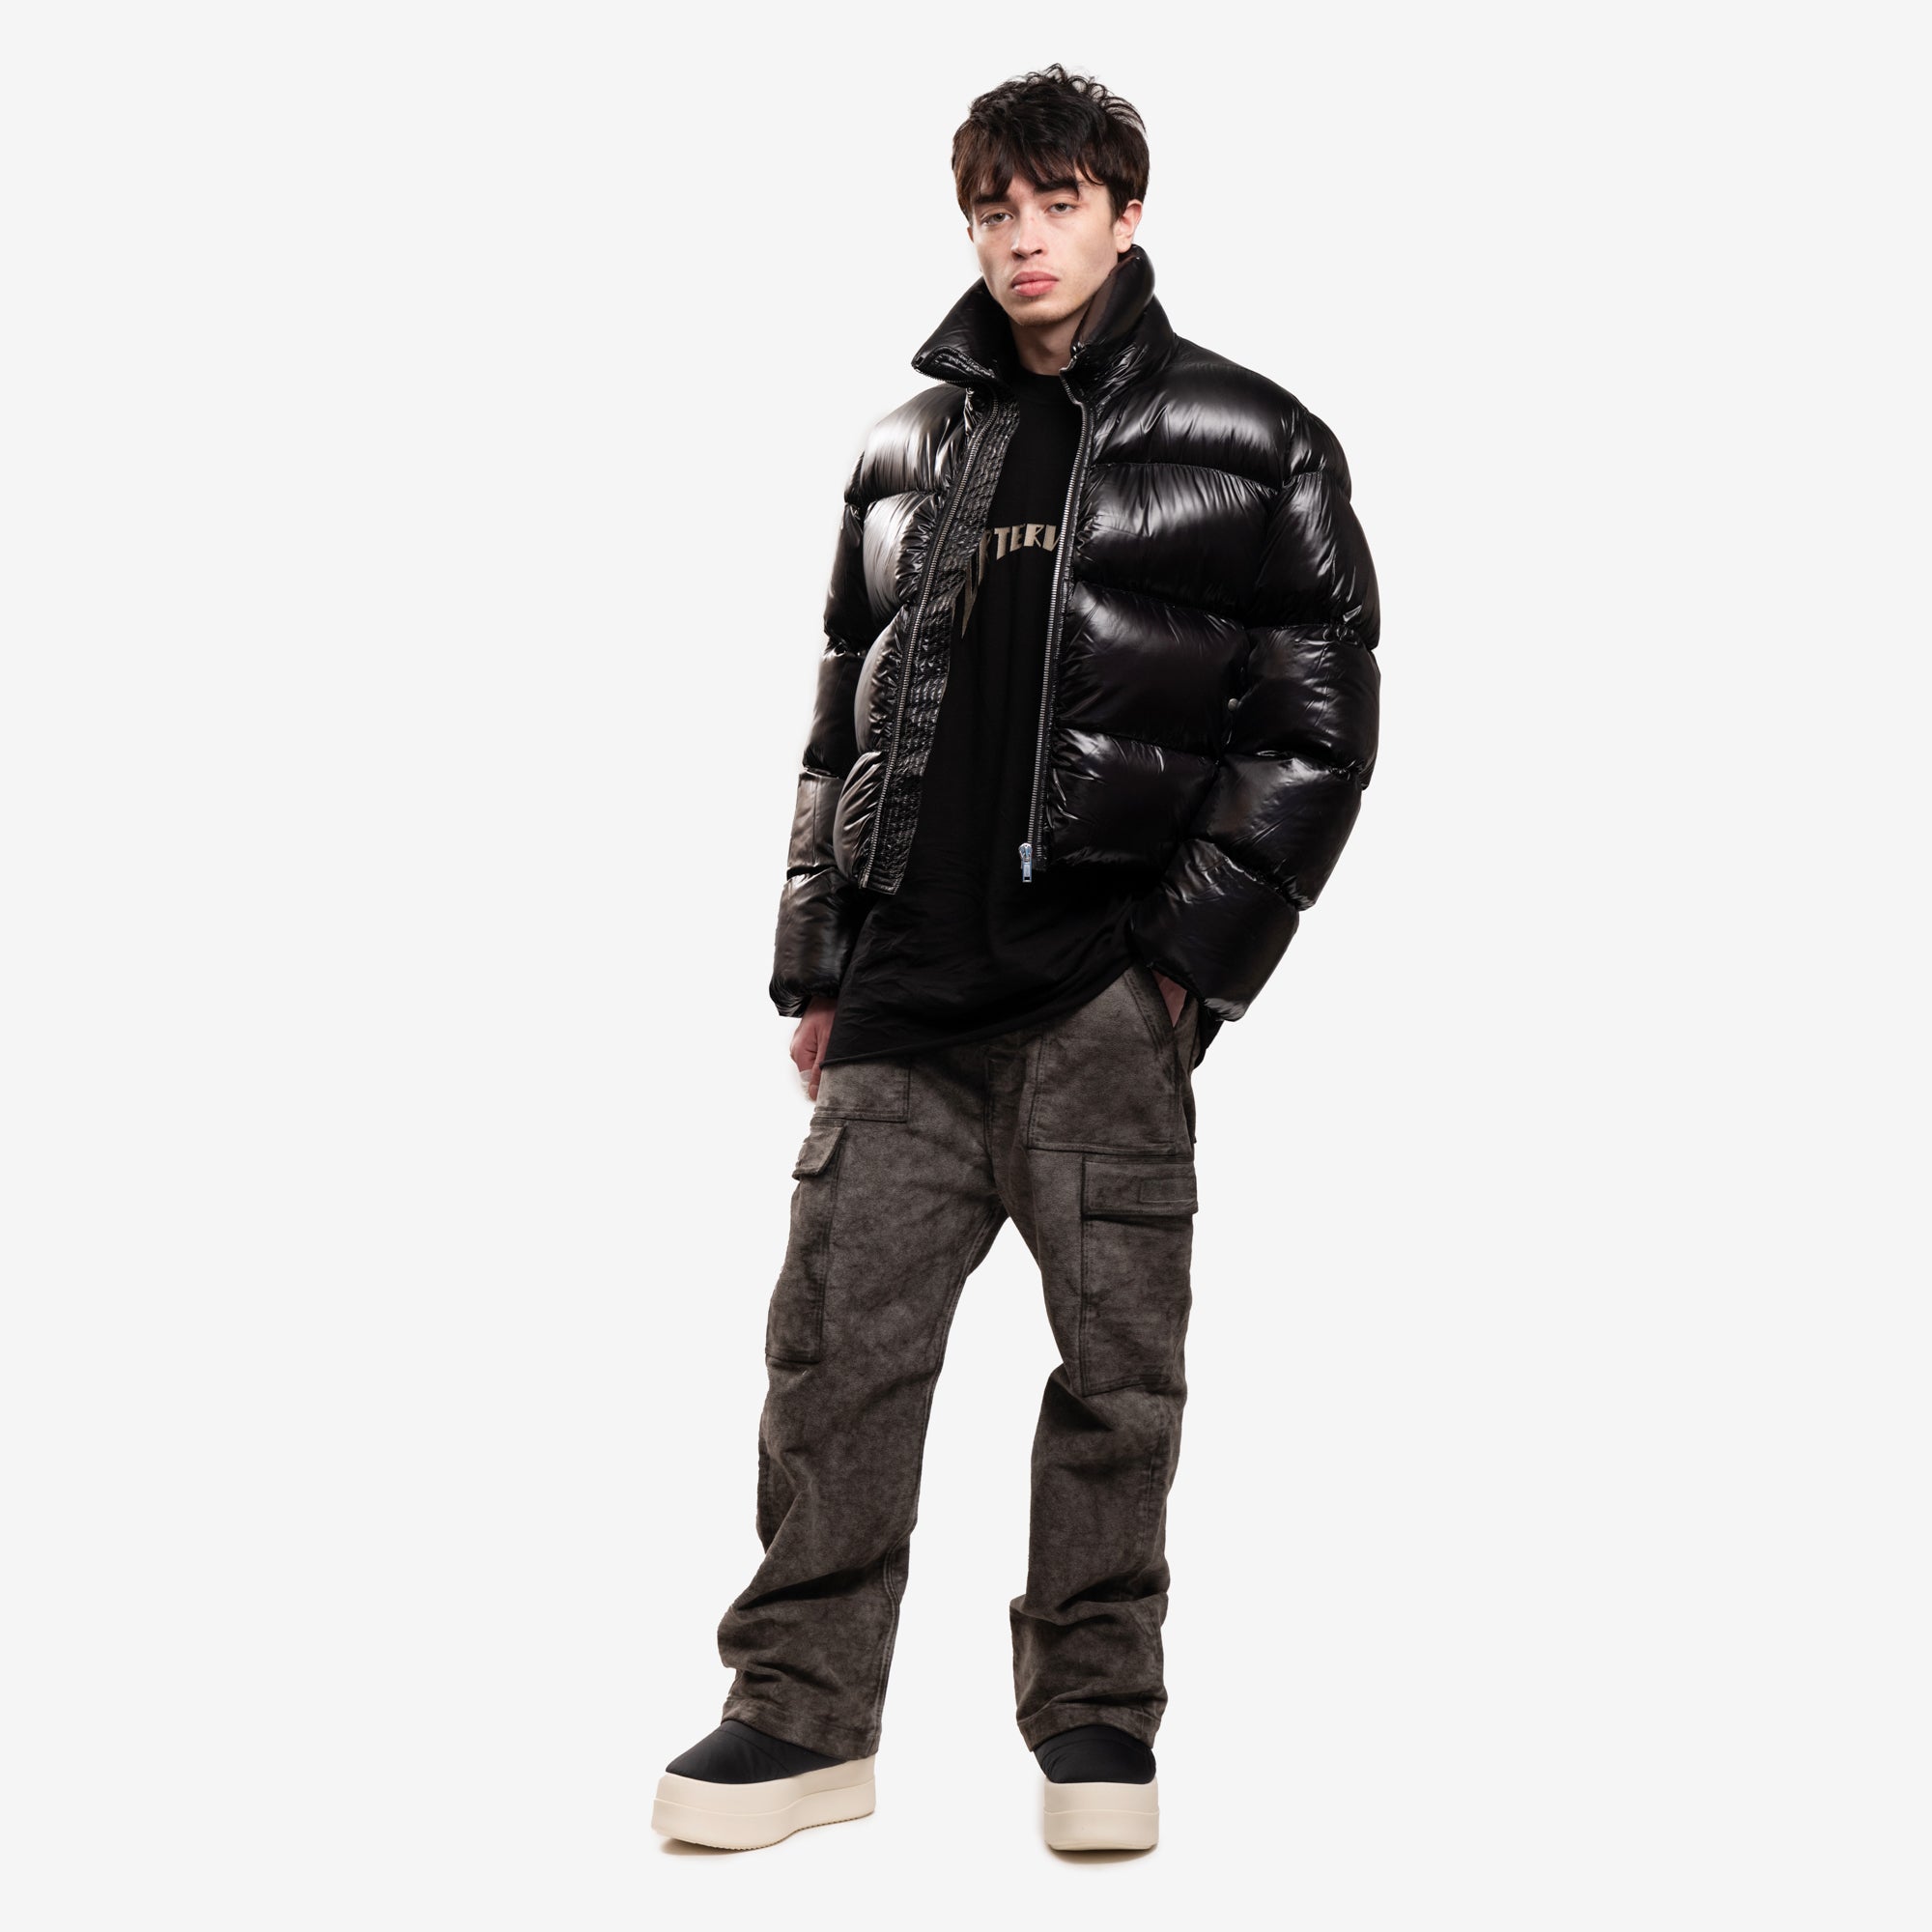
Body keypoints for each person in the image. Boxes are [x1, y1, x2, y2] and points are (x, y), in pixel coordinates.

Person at [652, 63, 1380, 1854]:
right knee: (833, 1368)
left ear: (1127, 212)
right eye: (997, 208)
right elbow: (839, 723)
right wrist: (820, 965)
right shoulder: (904, 452)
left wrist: (1178, 968)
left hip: (1097, 1005)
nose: (1025, 238)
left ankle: (1097, 1728)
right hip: (904, 1003)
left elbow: (1315, 728)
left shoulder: (1256, 439)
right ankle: (799, 1716)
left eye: (1059, 203)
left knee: (1117, 1387)